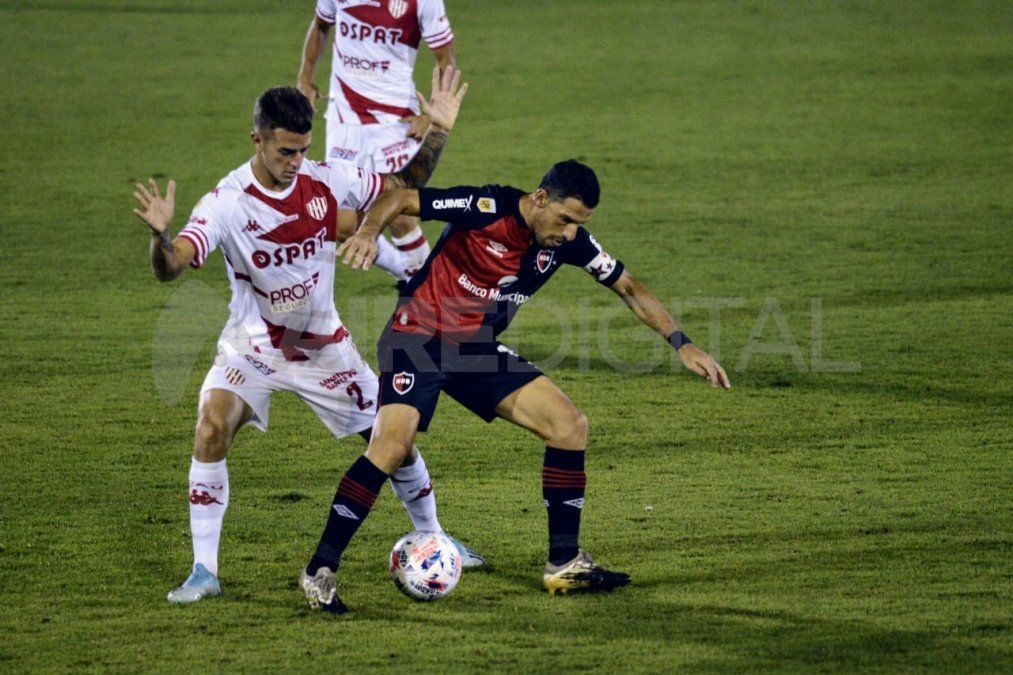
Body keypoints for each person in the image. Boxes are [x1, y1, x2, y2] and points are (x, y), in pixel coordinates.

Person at [297, 159, 731, 613]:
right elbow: (403, 198)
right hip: (419, 336)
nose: (568, 233)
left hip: (474, 349)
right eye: (564, 219)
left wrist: (682, 344)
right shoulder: (487, 206)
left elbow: (628, 287)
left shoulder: (569, 244)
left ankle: (564, 562)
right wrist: (367, 232)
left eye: (577, 225)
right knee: (390, 448)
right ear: (540, 199)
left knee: (568, 425)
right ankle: (320, 569)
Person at [131, 67, 480, 606]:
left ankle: (433, 534)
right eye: (285, 152)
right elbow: (172, 266)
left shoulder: (325, 178)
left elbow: (401, 192)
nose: (295, 162)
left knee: (395, 440)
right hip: (253, 346)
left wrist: (437, 131)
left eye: (302, 150)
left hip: (324, 348)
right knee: (210, 429)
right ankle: (205, 572)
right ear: (258, 140)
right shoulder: (225, 202)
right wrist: (160, 237)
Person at [297, 0, 457, 284]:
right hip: (343, 120)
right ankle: (412, 275)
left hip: (394, 123)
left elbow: (445, 60)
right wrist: (306, 77)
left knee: (400, 212)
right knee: (338, 224)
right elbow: (321, 24)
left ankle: (430, 292)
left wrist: (430, 115)